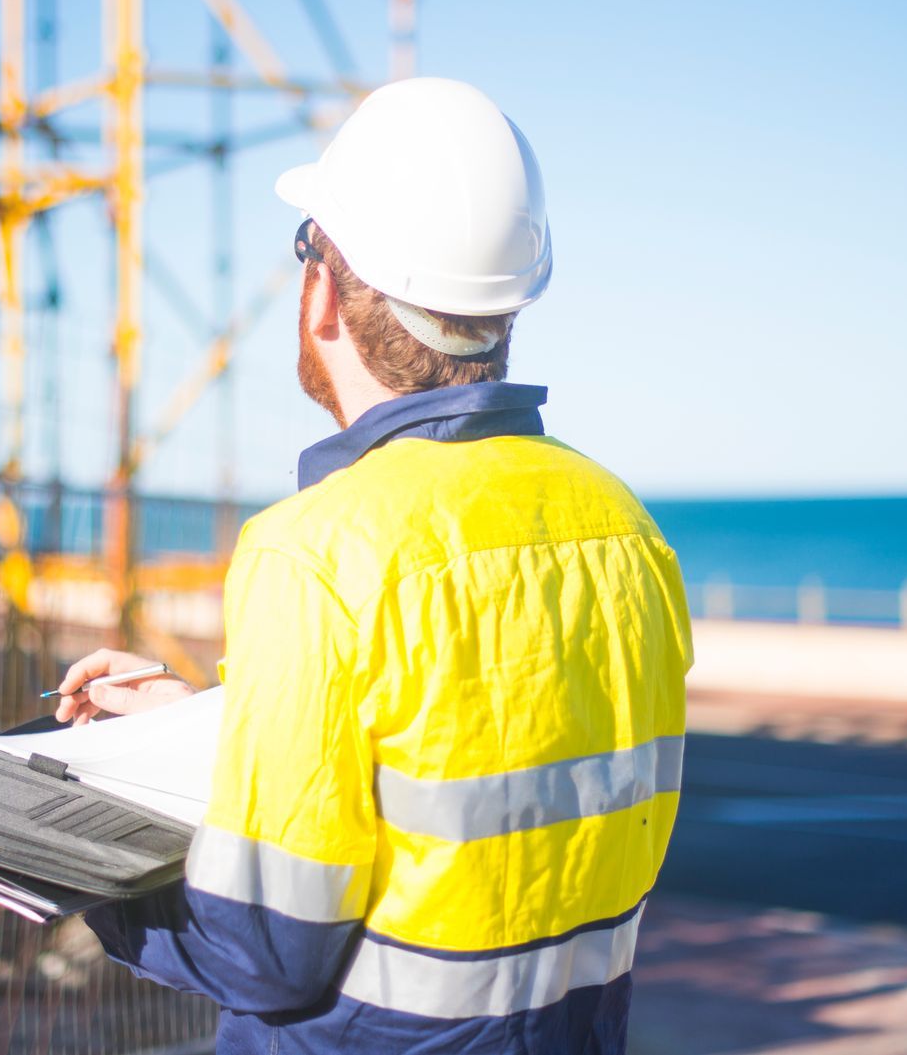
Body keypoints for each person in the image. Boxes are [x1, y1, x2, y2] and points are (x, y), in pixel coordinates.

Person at [48, 77, 693, 1054]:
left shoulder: (316, 554)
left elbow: (262, 950)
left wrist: (71, 872)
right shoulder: (622, 529)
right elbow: (457, 756)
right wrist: (217, 727)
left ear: (320, 288)